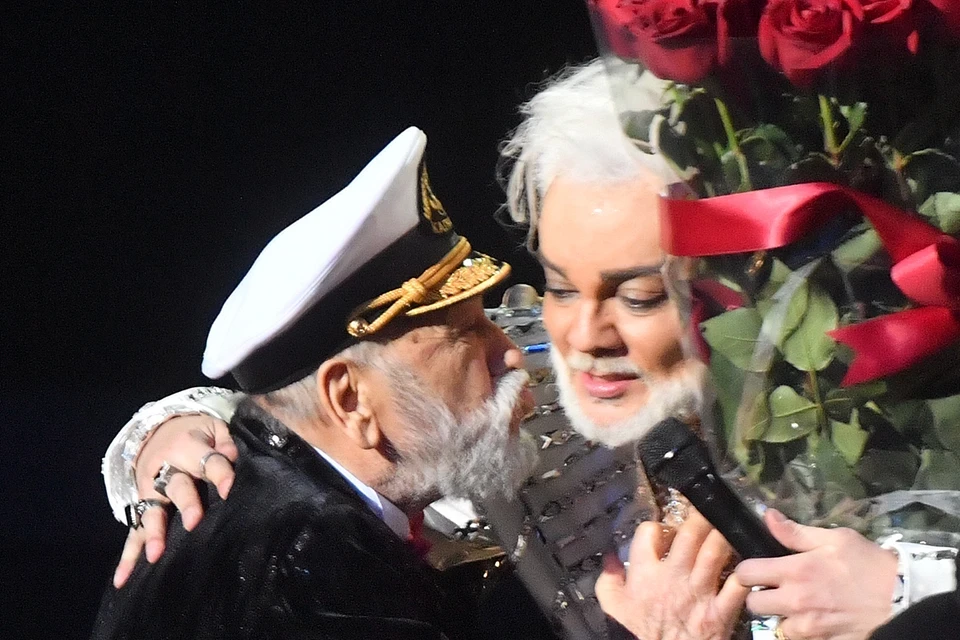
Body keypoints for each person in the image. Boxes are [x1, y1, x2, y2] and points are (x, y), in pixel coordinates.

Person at [100, 62, 958, 639]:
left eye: (640, 295)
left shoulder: (879, 380)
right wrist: (164, 438)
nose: (580, 338)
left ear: (744, 283)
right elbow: (313, 414)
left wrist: (906, 595)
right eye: (557, 285)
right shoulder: (527, 385)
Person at [91, 126, 541, 640]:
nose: (509, 352)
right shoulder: (318, 566)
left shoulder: (272, 501)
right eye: (467, 335)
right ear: (351, 400)